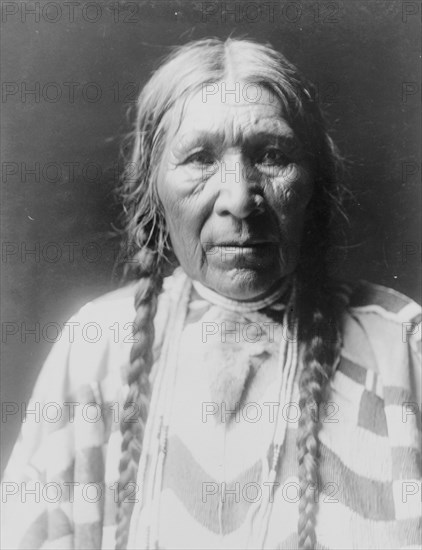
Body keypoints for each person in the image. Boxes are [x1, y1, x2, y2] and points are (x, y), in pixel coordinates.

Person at [1, 37, 421, 550]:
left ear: (315, 184)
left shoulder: (401, 344)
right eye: (200, 158)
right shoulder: (97, 346)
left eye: (272, 155)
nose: (240, 199)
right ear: (153, 191)